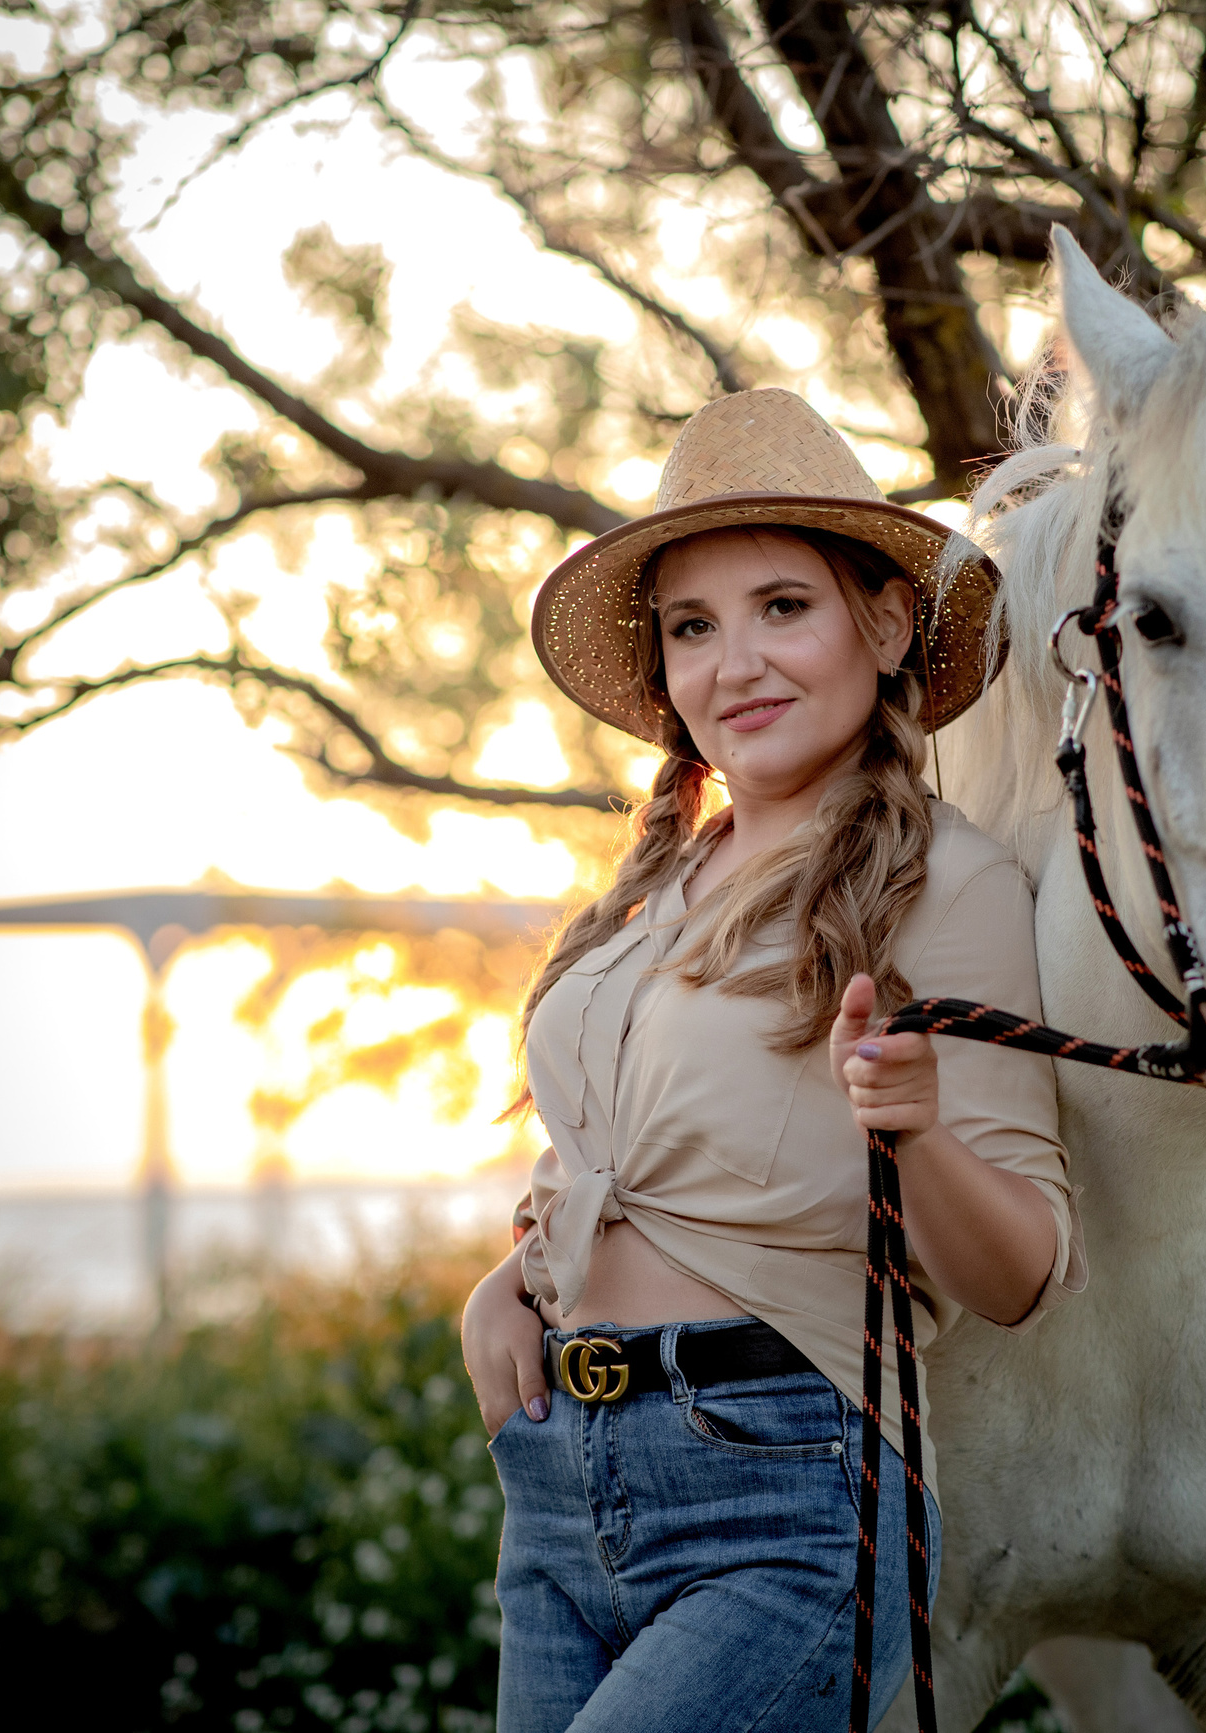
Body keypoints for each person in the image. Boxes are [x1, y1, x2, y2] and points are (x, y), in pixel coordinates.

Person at [461, 388, 1086, 1732]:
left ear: (885, 622)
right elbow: (629, 1157)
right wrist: (511, 1279)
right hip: (564, 1488)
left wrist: (916, 1132)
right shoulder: (661, 889)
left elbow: (1025, 1269)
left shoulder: (948, 885)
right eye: (693, 625)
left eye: (780, 607)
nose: (733, 660)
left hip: (788, 1492)